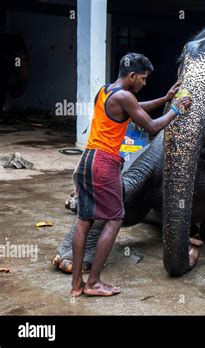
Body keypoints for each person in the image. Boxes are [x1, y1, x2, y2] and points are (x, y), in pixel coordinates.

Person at [70, 52, 192, 296]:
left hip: (87, 161)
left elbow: (135, 110)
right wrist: (176, 110)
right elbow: (152, 125)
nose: (144, 83)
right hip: (104, 164)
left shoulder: (106, 91)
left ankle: (76, 285)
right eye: (143, 79)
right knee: (115, 219)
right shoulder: (126, 97)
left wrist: (165, 99)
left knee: (84, 220)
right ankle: (93, 282)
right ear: (132, 76)